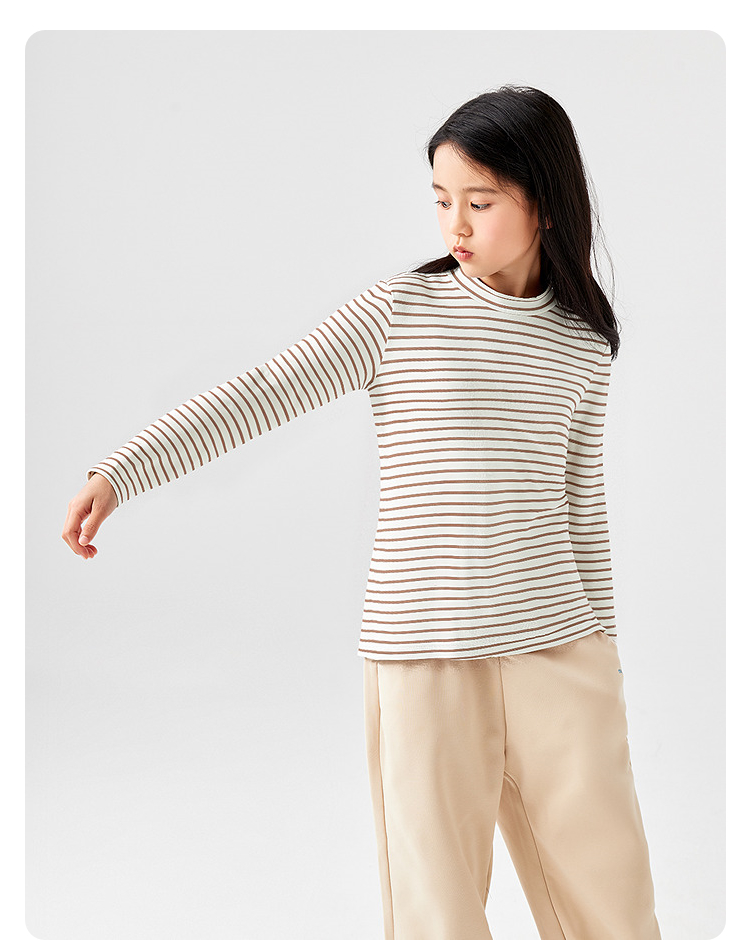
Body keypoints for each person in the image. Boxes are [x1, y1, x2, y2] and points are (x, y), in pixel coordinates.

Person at [62, 84, 662, 939]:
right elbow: (262, 391)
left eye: (480, 203)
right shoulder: (398, 312)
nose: (454, 226)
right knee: (436, 912)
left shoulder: (582, 341)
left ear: (548, 203)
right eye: (441, 200)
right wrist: (122, 471)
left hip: (559, 650)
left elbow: (580, 505)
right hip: (424, 657)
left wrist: (606, 652)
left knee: (613, 903)